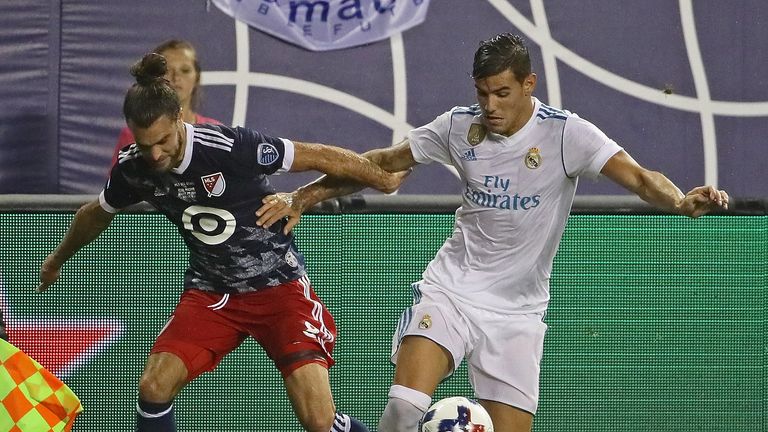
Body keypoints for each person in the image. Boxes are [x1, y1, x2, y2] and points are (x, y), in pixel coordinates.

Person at [254, 33, 730, 432]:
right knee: (403, 409)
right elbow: (381, 164)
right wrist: (304, 196)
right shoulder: (458, 127)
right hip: (451, 292)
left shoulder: (567, 135)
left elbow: (641, 177)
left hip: (517, 315)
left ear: (529, 84)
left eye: (502, 93)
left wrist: (681, 201)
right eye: (483, 93)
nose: (490, 105)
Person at [37, 52, 409, 432]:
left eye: (163, 141)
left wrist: (380, 179)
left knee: (318, 420)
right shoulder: (134, 168)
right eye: (144, 143)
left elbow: (318, 155)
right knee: (153, 386)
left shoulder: (232, 147)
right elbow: (95, 213)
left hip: (280, 290)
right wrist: (56, 259)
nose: (155, 154)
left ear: (179, 119)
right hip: (212, 293)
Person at [111, 39, 222, 167]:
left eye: (185, 70)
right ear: (153, 77)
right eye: (167, 70)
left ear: (197, 77)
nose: (176, 77)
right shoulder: (134, 134)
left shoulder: (215, 131)